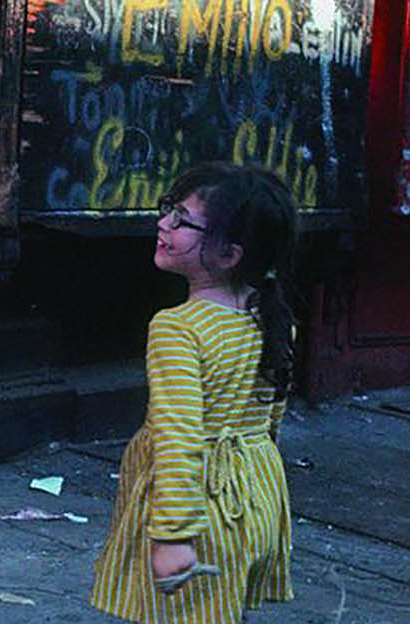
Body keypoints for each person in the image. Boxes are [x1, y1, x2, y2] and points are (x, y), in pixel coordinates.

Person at [90, 162, 298, 623]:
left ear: (229, 254)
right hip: (258, 497)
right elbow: (270, 420)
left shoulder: (178, 328)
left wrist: (172, 536)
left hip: (199, 509)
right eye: (169, 210)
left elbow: (179, 434)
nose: (164, 224)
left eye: (183, 220)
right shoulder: (271, 316)